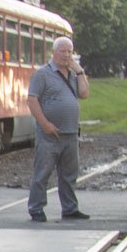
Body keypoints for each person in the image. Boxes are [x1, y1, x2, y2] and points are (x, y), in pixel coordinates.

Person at [26, 36, 90, 222]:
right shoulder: (42, 74)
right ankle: (36, 208)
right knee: (43, 172)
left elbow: (84, 93)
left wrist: (79, 71)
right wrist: (45, 124)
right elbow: (32, 100)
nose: (66, 55)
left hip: (70, 133)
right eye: (62, 51)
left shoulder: (72, 75)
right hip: (49, 133)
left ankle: (70, 208)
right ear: (53, 53)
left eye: (70, 52)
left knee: (69, 174)